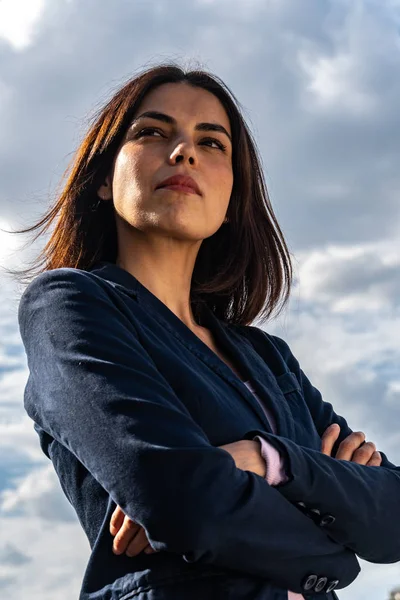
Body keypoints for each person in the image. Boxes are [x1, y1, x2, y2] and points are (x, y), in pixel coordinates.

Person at [14, 63, 400, 600]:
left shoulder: (267, 356)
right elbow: (180, 497)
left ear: (231, 193)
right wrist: (333, 532)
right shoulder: (71, 306)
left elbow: (393, 513)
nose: (184, 152)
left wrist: (270, 460)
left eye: (212, 143)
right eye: (152, 132)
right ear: (104, 178)